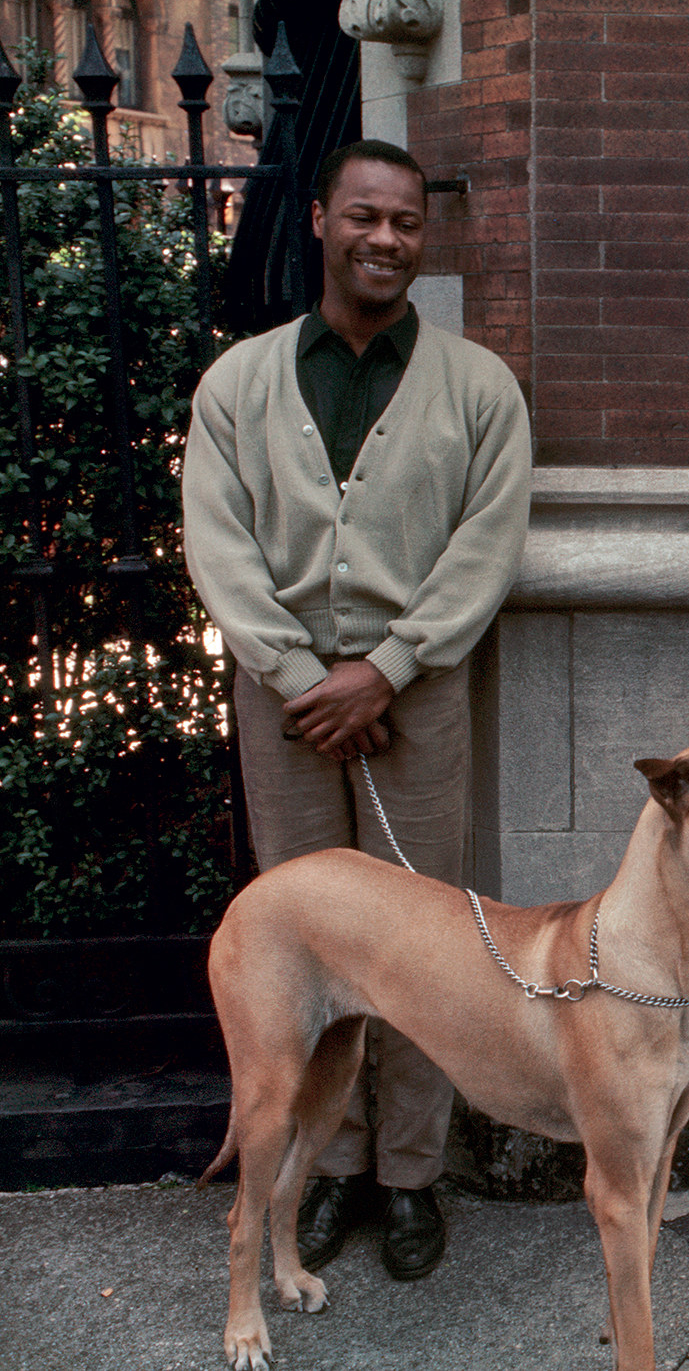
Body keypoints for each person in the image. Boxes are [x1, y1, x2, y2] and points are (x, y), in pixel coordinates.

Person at [182, 139, 531, 1281]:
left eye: (408, 225)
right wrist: (296, 675)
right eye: (366, 217)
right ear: (322, 218)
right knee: (303, 949)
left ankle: (413, 1178)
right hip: (286, 708)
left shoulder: (478, 388)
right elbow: (219, 542)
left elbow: (488, 544)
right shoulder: (238, 383)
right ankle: (325, 1172)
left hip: (416, 703)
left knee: (425, 949)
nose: (387, 240)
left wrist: (388, 665)